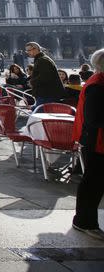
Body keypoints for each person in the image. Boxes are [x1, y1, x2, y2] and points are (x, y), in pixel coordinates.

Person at [72, 48, 104, 240]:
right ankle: (84, 221)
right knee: (93, 182)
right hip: (96, 141)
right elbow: (93, 118)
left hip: (95, 140)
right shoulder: (97, 86)